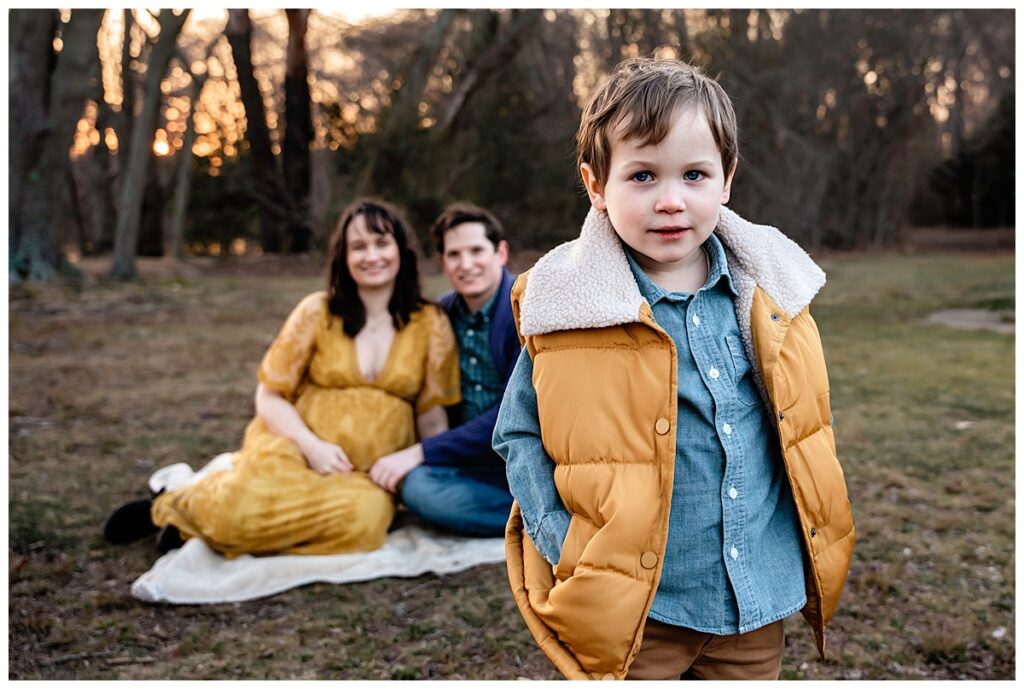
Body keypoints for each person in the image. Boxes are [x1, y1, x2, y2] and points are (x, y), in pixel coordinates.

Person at [492, 58, 855, 680]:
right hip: (640, 613)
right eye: (641, 175)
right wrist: (566, 543)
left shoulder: (771, 298)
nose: (670, 201)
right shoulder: (567, 310)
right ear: (595, 185)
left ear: (726, 179)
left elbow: (803, 428)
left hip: (753, 602)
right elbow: (518, 432)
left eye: (693, 174)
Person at [104, 198, 460, 556]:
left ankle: (204, 527)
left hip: (364, 472)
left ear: (401, 250)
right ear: (343, 257)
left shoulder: (431, 323)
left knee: (364, 523)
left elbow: (430, 417)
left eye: (382, 243)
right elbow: (268, 397)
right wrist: (313, 447)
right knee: (245, 503)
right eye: (359, 247)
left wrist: (418, 468)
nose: (372, 256)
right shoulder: (316, 311)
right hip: (297, 447)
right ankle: (171, 508)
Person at [368, 202, 519, 536]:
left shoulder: (525, 312)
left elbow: (513, 414)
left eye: (477, 250)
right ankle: (511, 511)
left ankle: (538, 515)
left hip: (527, 459)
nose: (466, 265)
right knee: (416, 486)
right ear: (443, 262)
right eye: (454, 255)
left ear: (501, 252)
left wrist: (421, 451)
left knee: (417, 482)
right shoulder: (442, 314)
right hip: (469, 459)